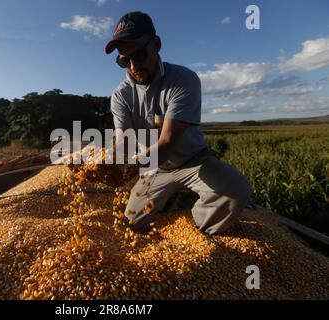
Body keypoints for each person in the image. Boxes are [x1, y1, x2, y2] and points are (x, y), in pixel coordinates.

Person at [105, 11, 252, 235]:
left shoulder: (183, 80)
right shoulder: (120, 95)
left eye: (140, 55)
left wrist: (132, 165)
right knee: (132, 223)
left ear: (156, 44)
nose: (133, 66)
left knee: (235, 189)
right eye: (124, 60)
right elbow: (124, 141)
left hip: (193, 161)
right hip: (154, 169)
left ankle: (194, 231)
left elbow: (169, 140)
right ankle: (173, 200)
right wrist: (103, 162)